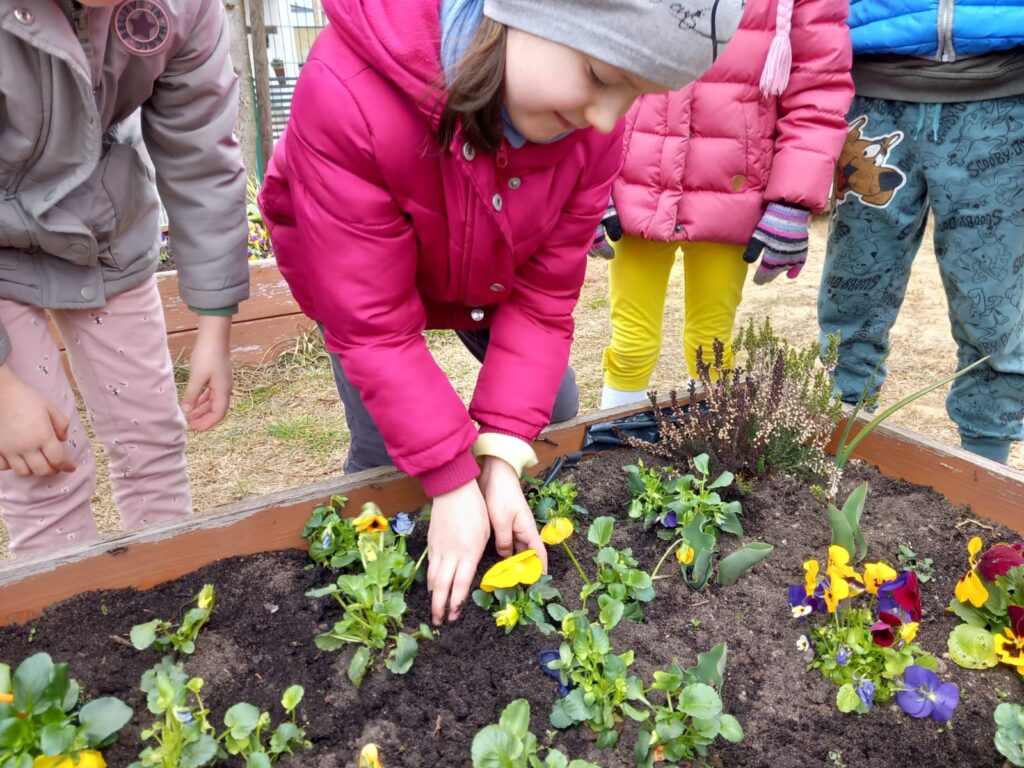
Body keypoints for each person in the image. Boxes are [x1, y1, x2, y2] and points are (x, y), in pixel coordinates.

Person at [259, 0, 743, 625]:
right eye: (599, 76)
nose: (605, 117)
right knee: (386, 453)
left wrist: (500, 455)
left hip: (489, 266)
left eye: (634, 95)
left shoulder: (590, 131)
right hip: (358, 283)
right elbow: (374, 328)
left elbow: (543, 301)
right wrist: (449, 477)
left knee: (548, 413)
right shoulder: (346, 90)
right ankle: (370, 559)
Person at [0, 0, 249, 555]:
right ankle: (63, 605)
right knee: (43, 465)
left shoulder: (184, 9)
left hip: (103, 225)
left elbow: (202, 158)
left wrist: (214, 326)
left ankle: (171, 593)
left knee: (151, 443)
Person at [597, 0, 854, 409]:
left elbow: (818, 88)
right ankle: (611, 436)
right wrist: (587, 177)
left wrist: (792, 199)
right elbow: (590, 53)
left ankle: (711, 442)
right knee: (631, 342)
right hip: (639, 186)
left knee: (712, 345)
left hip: (732, 193)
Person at [818, 0, 1024, 464]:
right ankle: (833, 460)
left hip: (1003, 92)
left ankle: (985, 482)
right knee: (852, 292)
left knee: (992, 305)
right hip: (872, 90)